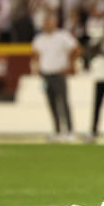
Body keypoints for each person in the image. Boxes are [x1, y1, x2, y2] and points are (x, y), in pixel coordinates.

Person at [31, 13, 81, 141]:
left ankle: (69, 131)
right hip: (46, 75)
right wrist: (36, 68)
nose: (47, 25)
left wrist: (71, 64)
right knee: (51, 103)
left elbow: (75, 49)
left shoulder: (62, 36)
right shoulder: (39, 38)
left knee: (63, 102)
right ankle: (57, 130)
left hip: (59, 74)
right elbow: (36, 54)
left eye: (49, 22)